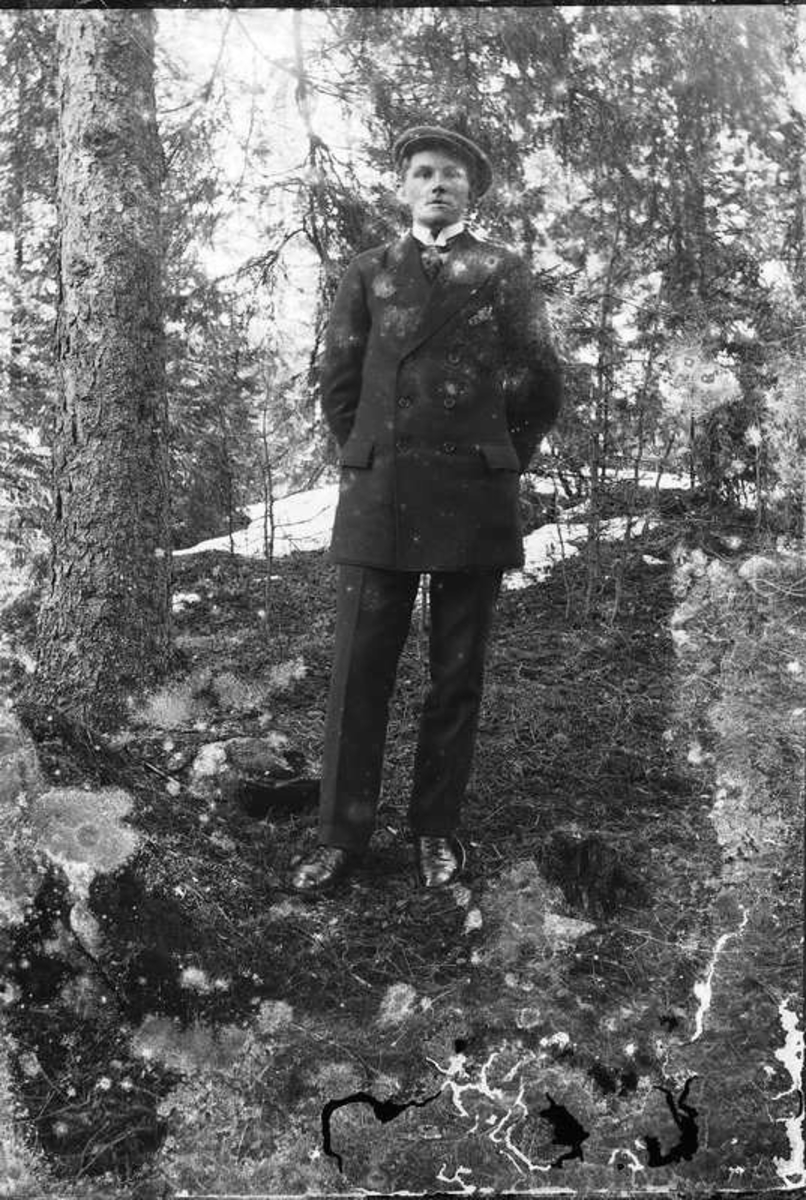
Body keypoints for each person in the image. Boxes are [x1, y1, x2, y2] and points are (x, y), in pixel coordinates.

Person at [290, 125, 563, 893]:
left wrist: (494, 458)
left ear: (471, 192)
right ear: (404, 188)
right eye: (422, 172)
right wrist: (373, 455)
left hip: (472, 497)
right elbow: (339, 384)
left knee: (456, 674)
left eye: (451, 174)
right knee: (359, 672)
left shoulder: (504, 272)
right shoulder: (368, 271)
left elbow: (539, 385)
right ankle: (340, 837)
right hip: (381, 495)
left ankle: (435, 829)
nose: (437, 183)